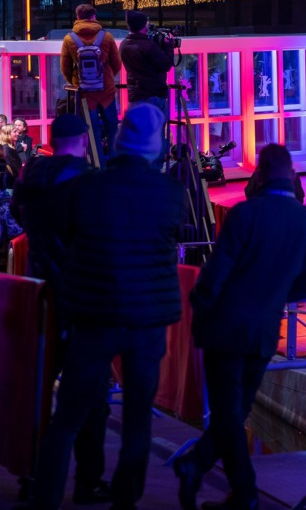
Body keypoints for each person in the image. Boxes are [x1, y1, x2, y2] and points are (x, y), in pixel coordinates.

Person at [28, 104, 185, 510]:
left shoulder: (89, 188)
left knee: (67, 418)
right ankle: (124, 500)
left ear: (118, 141)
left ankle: (45, 498)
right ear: (156, 146)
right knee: (137, 421)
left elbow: (60, 231)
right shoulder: (169, 192)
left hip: (94, 316)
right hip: (147, 321)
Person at [174, 144, 306, 510]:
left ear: (259, 173)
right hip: (264, 330)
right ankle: (200, 467)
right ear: (292, 175)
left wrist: (200, 308)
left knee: (227, 411)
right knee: (235, 410)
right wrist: (270, 299)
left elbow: (216, 273)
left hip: (225, 327)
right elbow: (305, 287)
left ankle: (243, 491)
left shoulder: (245, 214)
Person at [12, 114, 109, 506]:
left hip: (39, 292)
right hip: (79, 295)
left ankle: (29, 473)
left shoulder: (30, 176)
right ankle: (88, 480)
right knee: (92, 395)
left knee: (36, 388)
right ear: (83, 140)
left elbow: (20, 217)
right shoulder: (86, 181)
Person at [60, 3, 123, 164]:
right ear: (94, 17)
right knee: (112, 128)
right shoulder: (106, 37)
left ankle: (97, 165)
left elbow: (65, 67)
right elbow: (117, 63)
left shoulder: (69, 39)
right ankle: (115, 166)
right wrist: (107, 78)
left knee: (92, 130)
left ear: (78, 17)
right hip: (106, 90)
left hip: (84, 93)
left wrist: (75, 82)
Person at [118, 9, 175, 119]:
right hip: (154, 95)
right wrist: (168, 46)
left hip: (135, 95)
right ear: (143, 25)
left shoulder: (124, 45)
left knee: (138, 133)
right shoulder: (148, 46)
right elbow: (166, 64)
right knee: (156, 134)